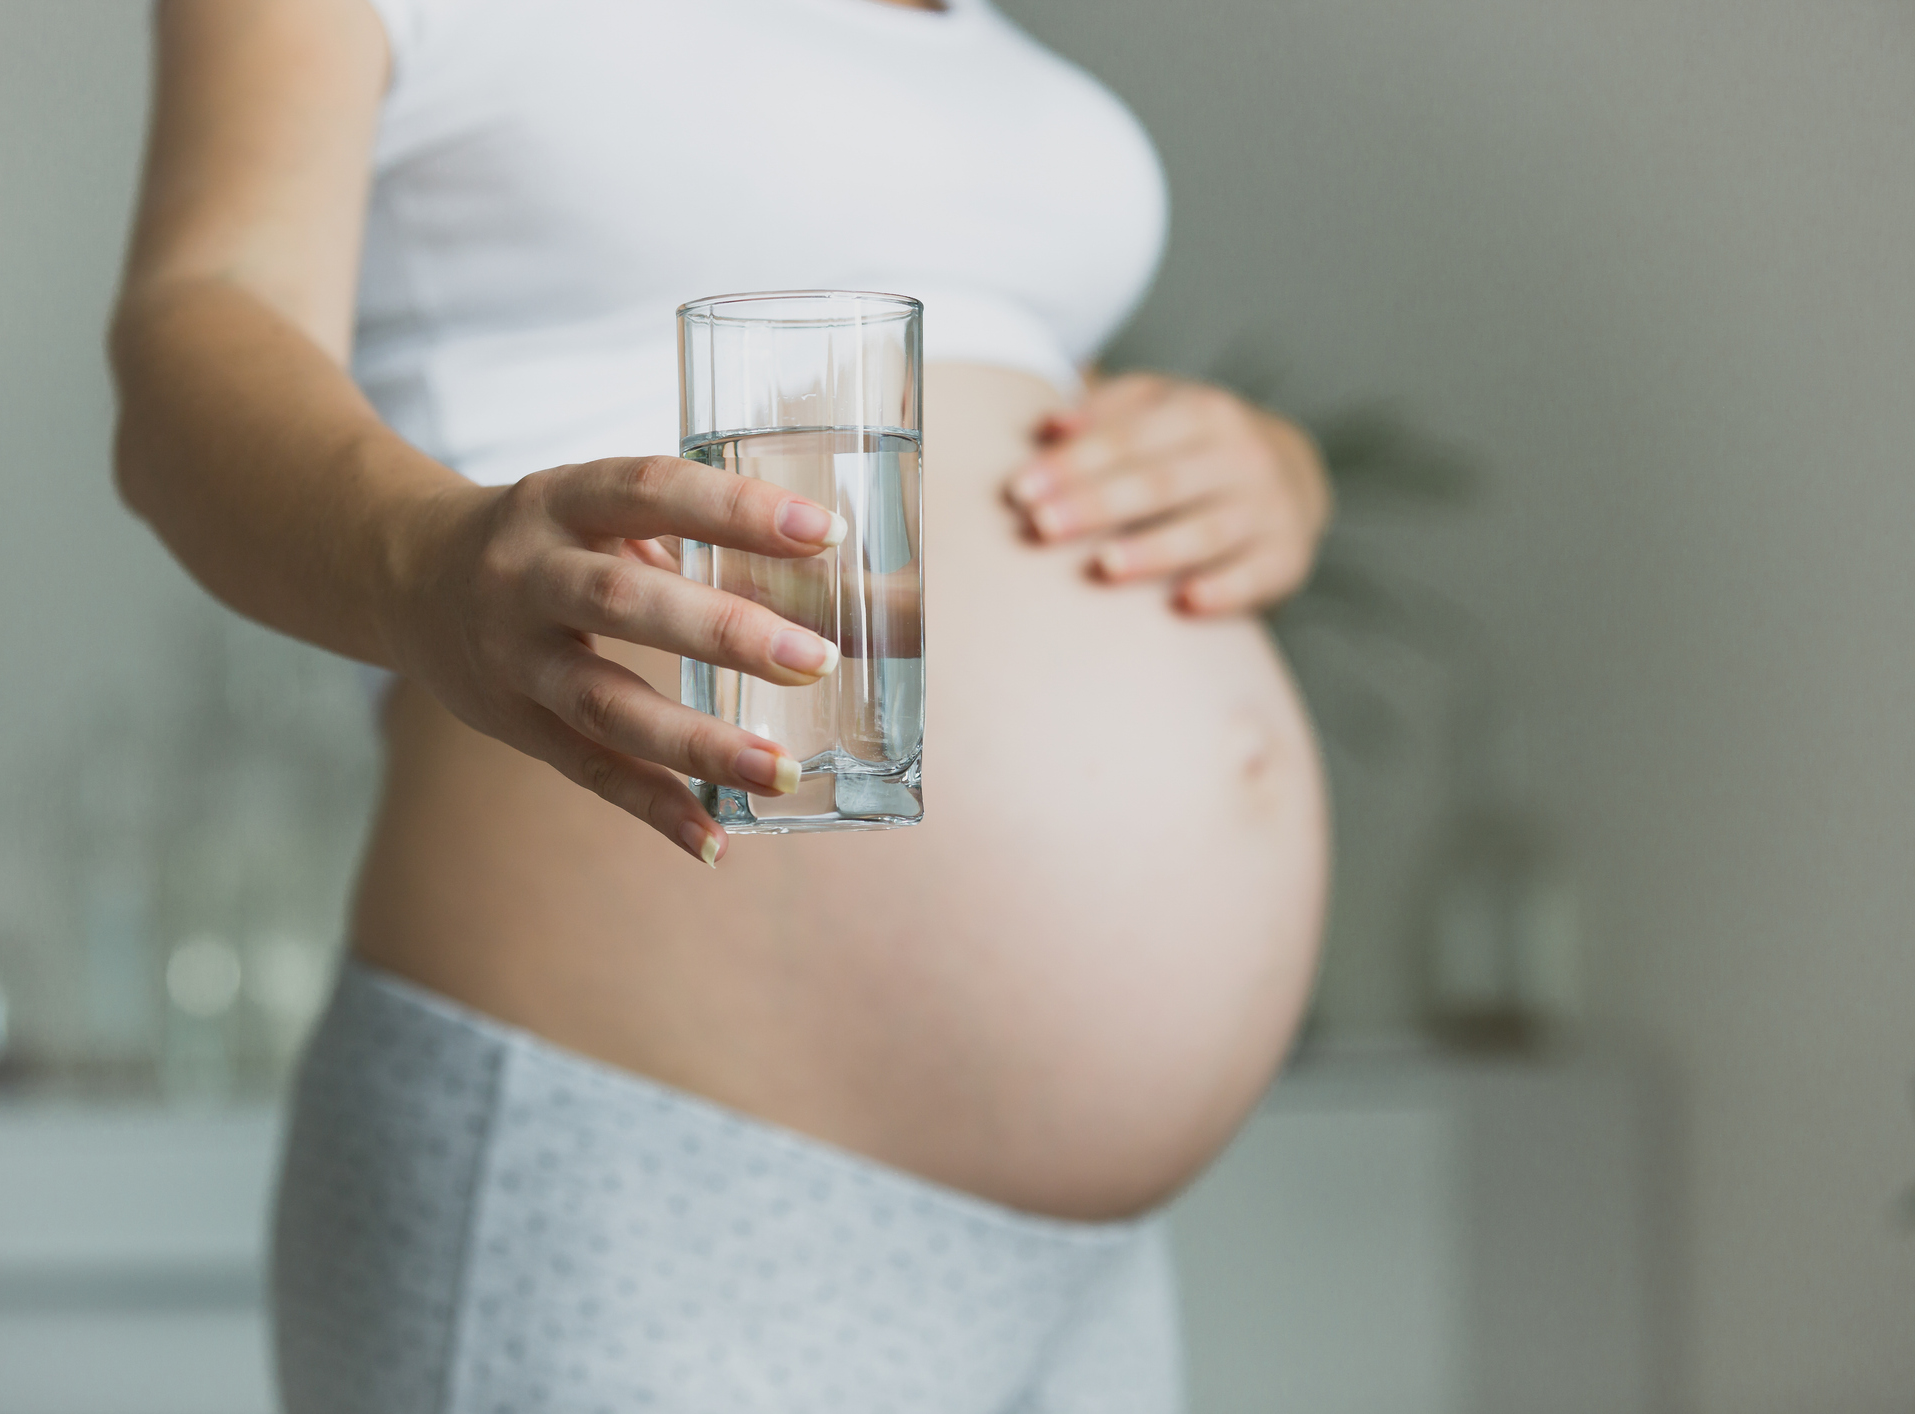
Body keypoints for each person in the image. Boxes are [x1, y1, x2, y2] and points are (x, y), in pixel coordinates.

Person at [108, 0, 1331, 1408]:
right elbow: (198, 328)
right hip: (638, 1158)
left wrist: (1257, 469)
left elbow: (991, 381)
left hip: (1082, 1269)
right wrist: (424, 558)